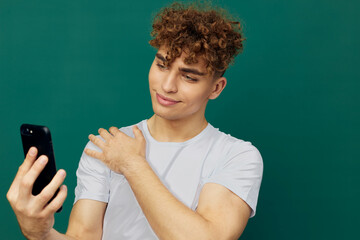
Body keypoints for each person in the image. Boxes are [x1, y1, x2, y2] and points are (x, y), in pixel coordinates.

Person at [7, 1, 263, 239]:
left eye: (189, 77)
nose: (167, 85)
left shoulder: (236, 156)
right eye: (162, 65)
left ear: (216, 88)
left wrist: (132, 164)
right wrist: (40, 233)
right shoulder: (106, 147)